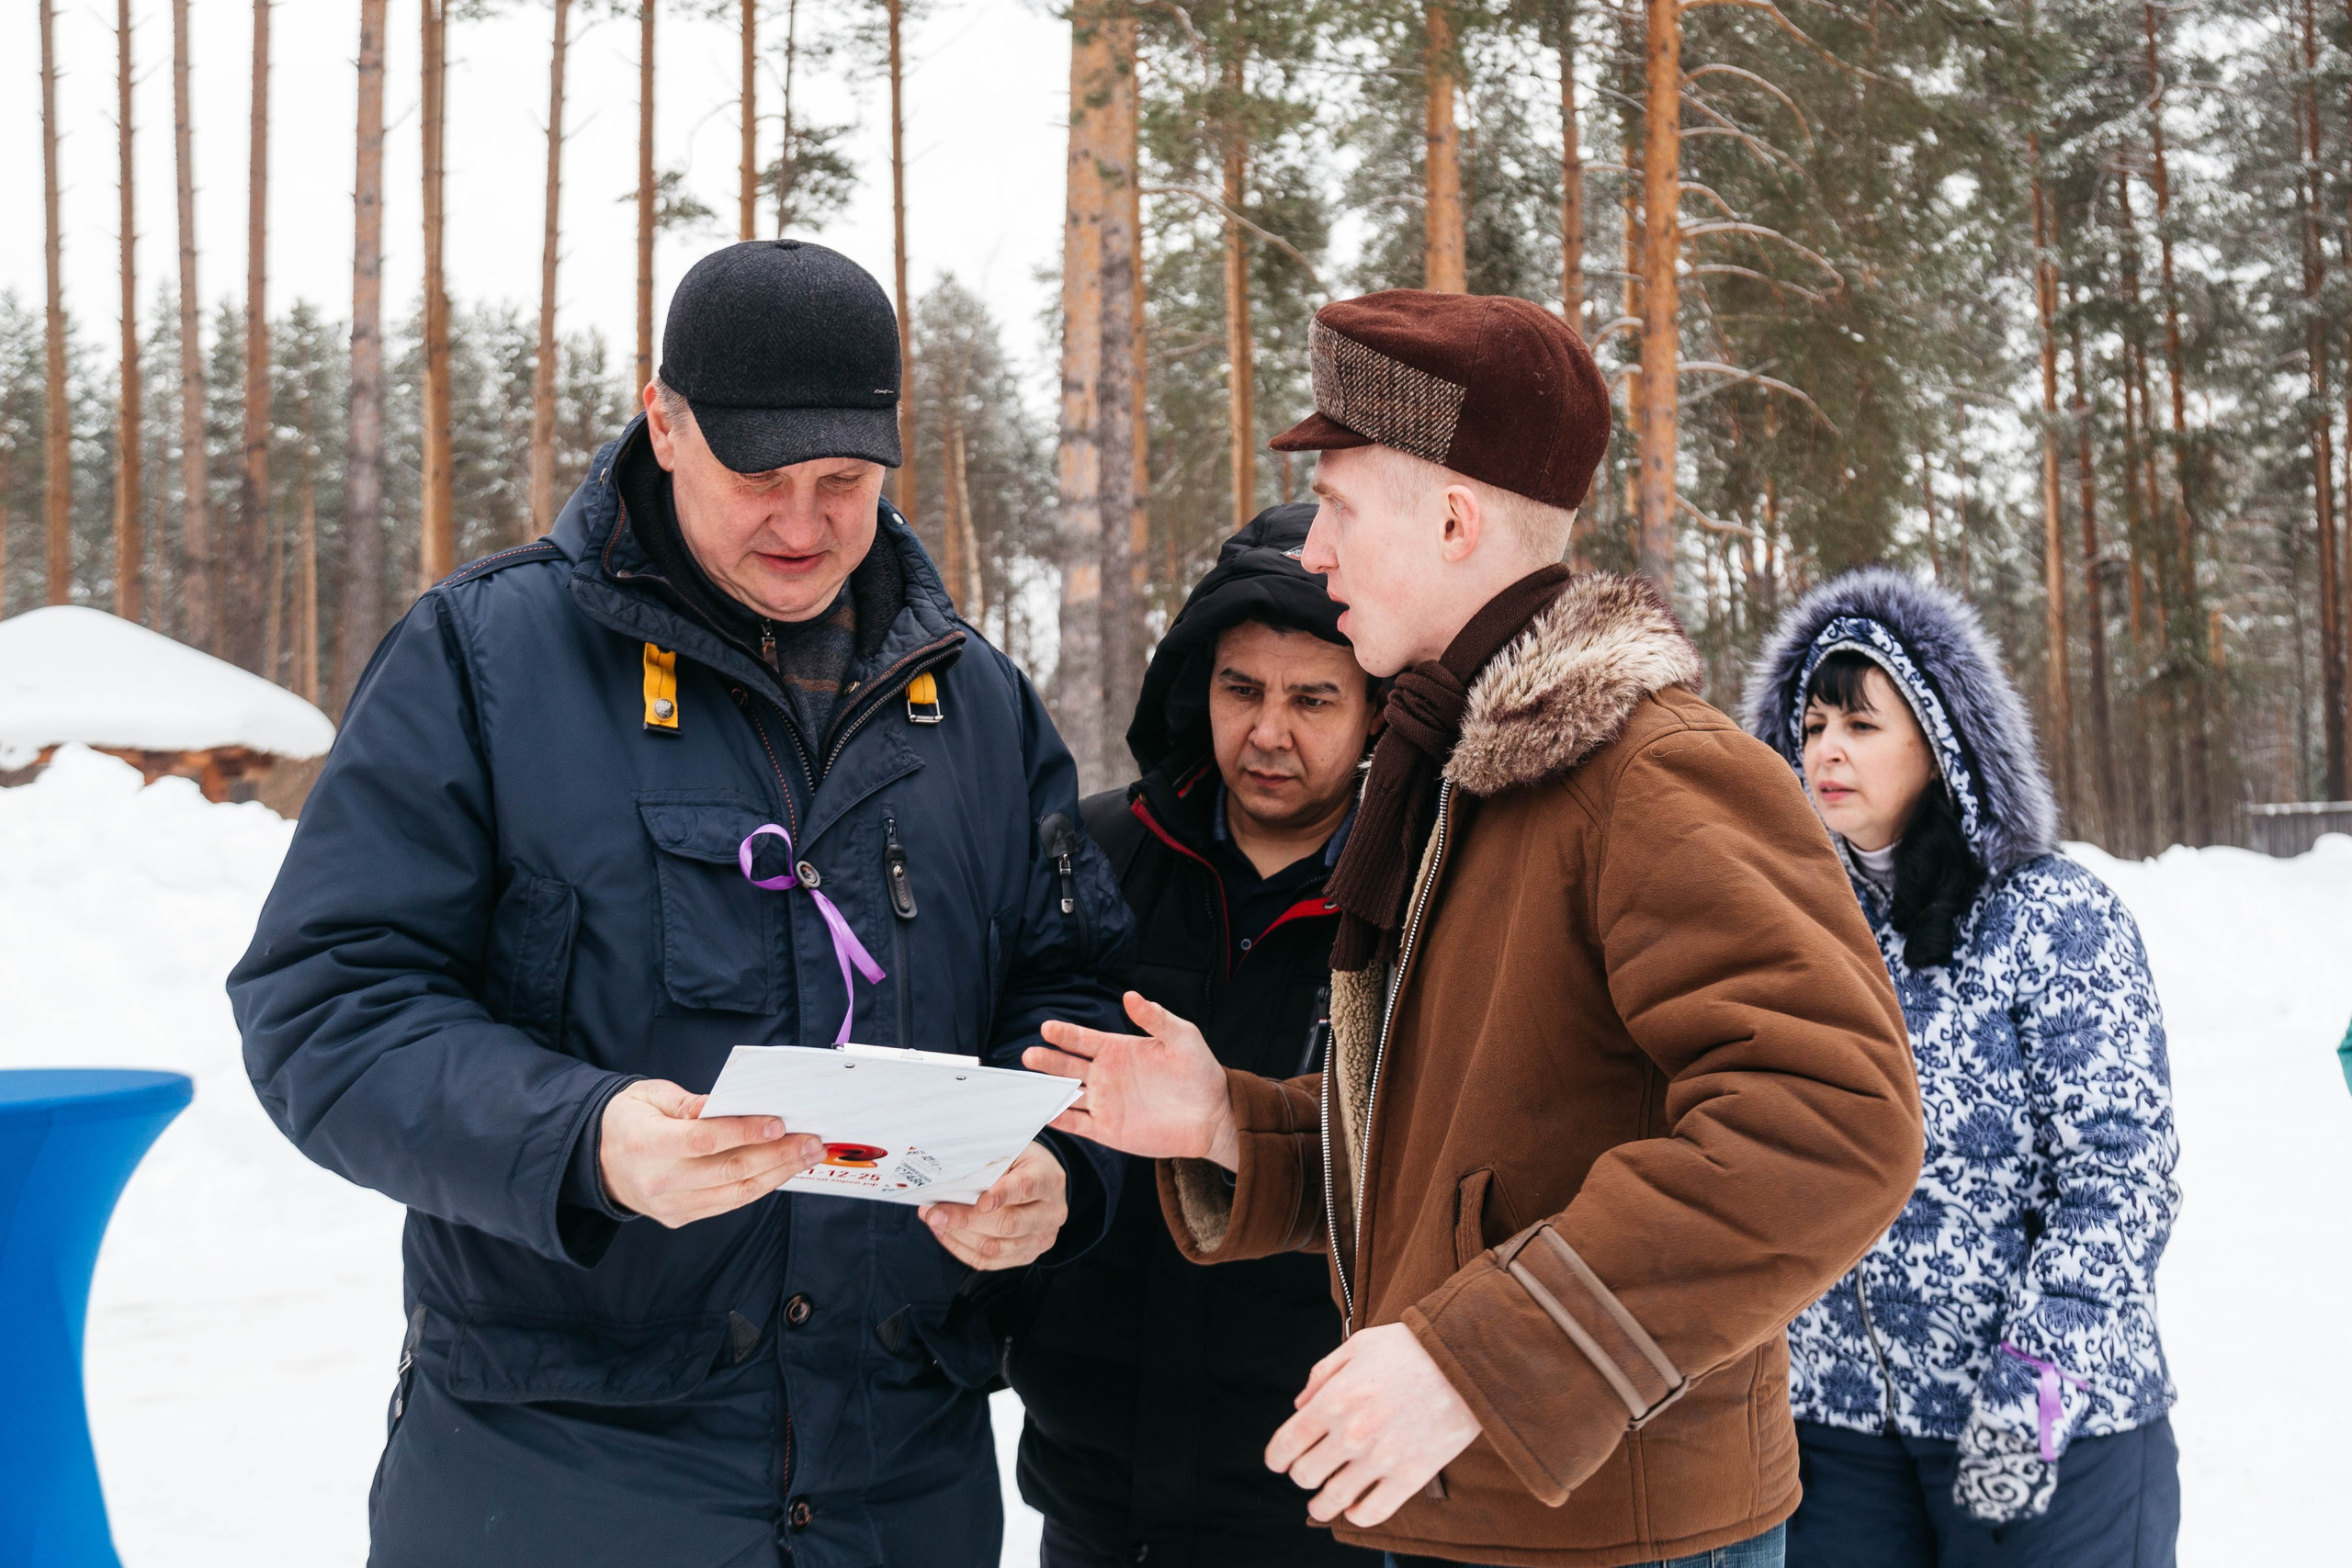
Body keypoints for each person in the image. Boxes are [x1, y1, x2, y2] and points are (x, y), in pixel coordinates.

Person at [227, 240, 1134, 1568]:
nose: (804, 525)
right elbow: (327, 1008)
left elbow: (1069, 996)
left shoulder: (978, 702)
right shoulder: (483, 659)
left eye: (845, 481)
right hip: (556, 1477)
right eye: (760, 478)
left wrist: (1062, 1169)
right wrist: (584, 1138)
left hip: (893, 1481)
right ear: (663, 422)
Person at [1024, 290, 1926, 1568]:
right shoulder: (1465, 782)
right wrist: (1228, 1121)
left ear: (1452, 521)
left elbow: (1835, 1124)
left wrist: (1480, 1359)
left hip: (1620, 1535)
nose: (1315, 551)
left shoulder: (1649, 771)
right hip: (1482, 1513)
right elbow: (1463, 1162)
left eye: (1339, 506)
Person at [1743, 570, 2181, 1568]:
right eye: (1811, 726)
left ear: (1940, 741)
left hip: (2051, 1434)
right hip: (1837, 1433)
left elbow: (2120, 1178)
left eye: (1861, 724)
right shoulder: (1793, 933)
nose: (1826, 750)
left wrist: (2035, 1394)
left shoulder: (2051, 916)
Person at [1007, 502, 1385, 1568]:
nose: (1268, 732)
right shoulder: (1093, 854)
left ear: (1377, 713)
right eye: (1240, 689)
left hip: (1323, 1498)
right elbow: (1015, 1077)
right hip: (1097, 1482)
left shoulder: (1418, 895)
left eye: (1313, 698)